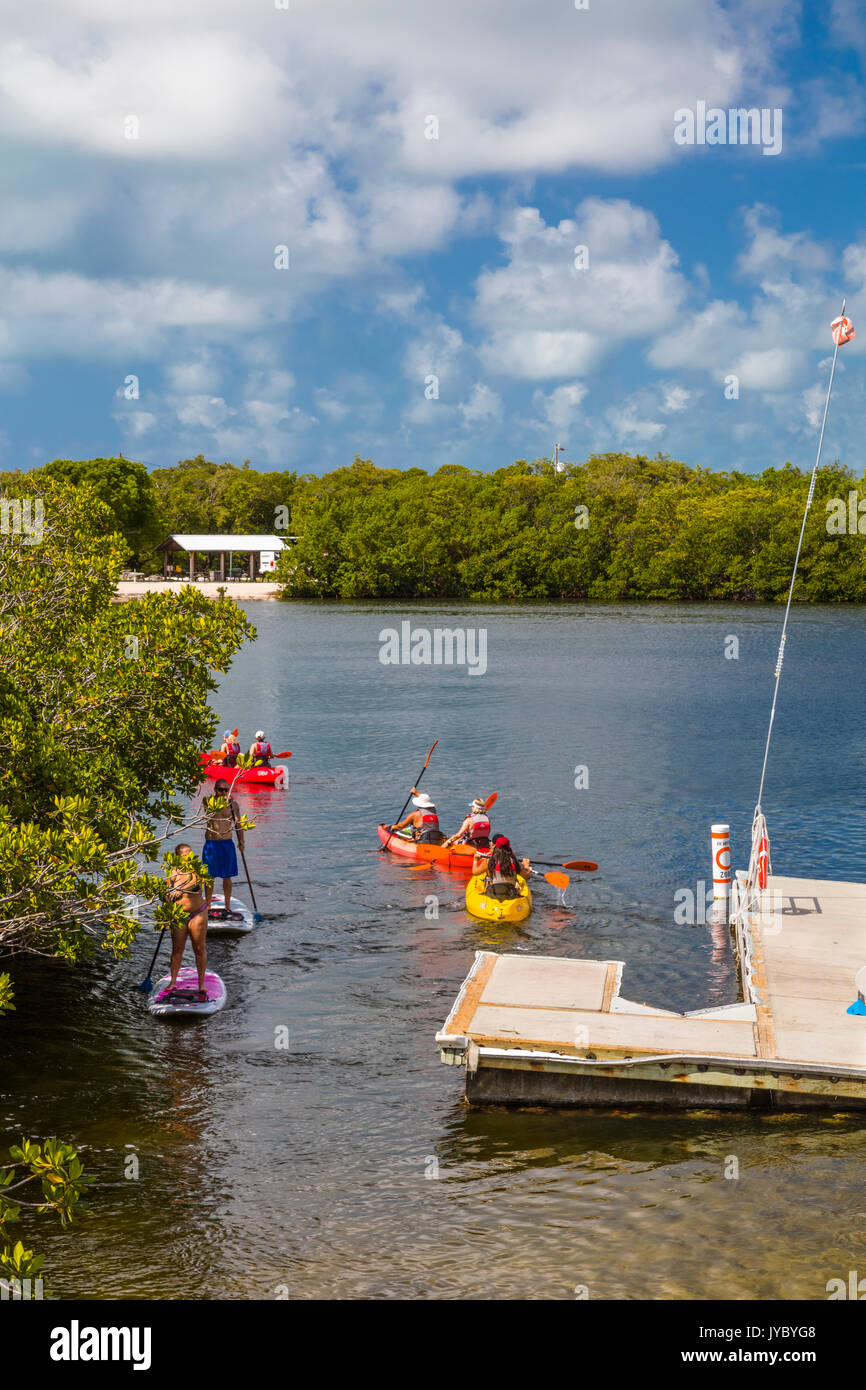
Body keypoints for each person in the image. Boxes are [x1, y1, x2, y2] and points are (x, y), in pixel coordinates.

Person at [162, 843, 209, 1001]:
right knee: (177, 949)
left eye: (190, 853)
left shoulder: (197, 868)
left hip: (197, 914)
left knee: (199, 949)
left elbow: (195, 882)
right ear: (178, 857)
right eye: (185, 854)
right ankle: (173, 982)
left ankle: (201, 984)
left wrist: (180, 889)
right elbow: (166, 896)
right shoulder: (172, 872)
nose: (189, 856)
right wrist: (166, 914)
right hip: (179, 915)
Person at [202, 778, 244, 915]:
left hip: (226, 843)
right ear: (215, 790)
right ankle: (207, 905)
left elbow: (238, 824)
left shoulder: (233, 805)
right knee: (209, 876)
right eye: (220, 789)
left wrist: (241, 842)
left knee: (227, 876)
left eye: (226, 789)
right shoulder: (208, 801)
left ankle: (227, 905)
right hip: (211, 843)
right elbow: (207, 804)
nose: (223, 792)